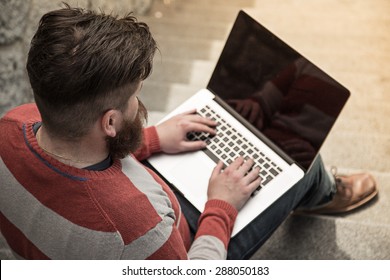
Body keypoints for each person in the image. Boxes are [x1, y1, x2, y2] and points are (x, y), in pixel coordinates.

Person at [0, 4, 378, 260]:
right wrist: (221, 207)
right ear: (110, 123)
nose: (140, 104)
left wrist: (153, 139)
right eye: (134, 97)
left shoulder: (13, 125)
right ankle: (321, 190)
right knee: (295, 157)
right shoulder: (138, 231)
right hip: (183, 238)